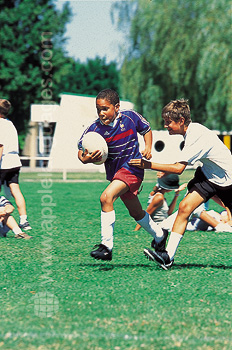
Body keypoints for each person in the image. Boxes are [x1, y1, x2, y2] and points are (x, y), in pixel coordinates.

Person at [129, 99, 232, 269]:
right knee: (185, 207)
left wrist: (147, 165)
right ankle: (167, 257)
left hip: (228, 180)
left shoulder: (196, 135)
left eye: (168, 122)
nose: (165, 125)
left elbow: (178, 169)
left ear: (181, 121)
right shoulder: (190, 133)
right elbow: (178, 164)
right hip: (208, 176)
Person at [78, 89, 166, 261]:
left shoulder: (130, 117)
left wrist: (148, 147)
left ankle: (106, 246)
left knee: (106, 198)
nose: (101, 113)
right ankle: (160, 235)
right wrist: (85, 159)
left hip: (133, 169)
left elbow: (146, 129)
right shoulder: (94, 130)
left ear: (116, 107)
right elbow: (81, 151)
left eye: (105, 109)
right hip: (116, 174)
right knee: (136, 213)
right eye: (98, 109)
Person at [0, 99, 32, 231]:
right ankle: (24, 220)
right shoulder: (10, 124)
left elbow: (0, 146)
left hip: (3, 162)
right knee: (15, 190)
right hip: (14, 161)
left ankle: (4, 221)